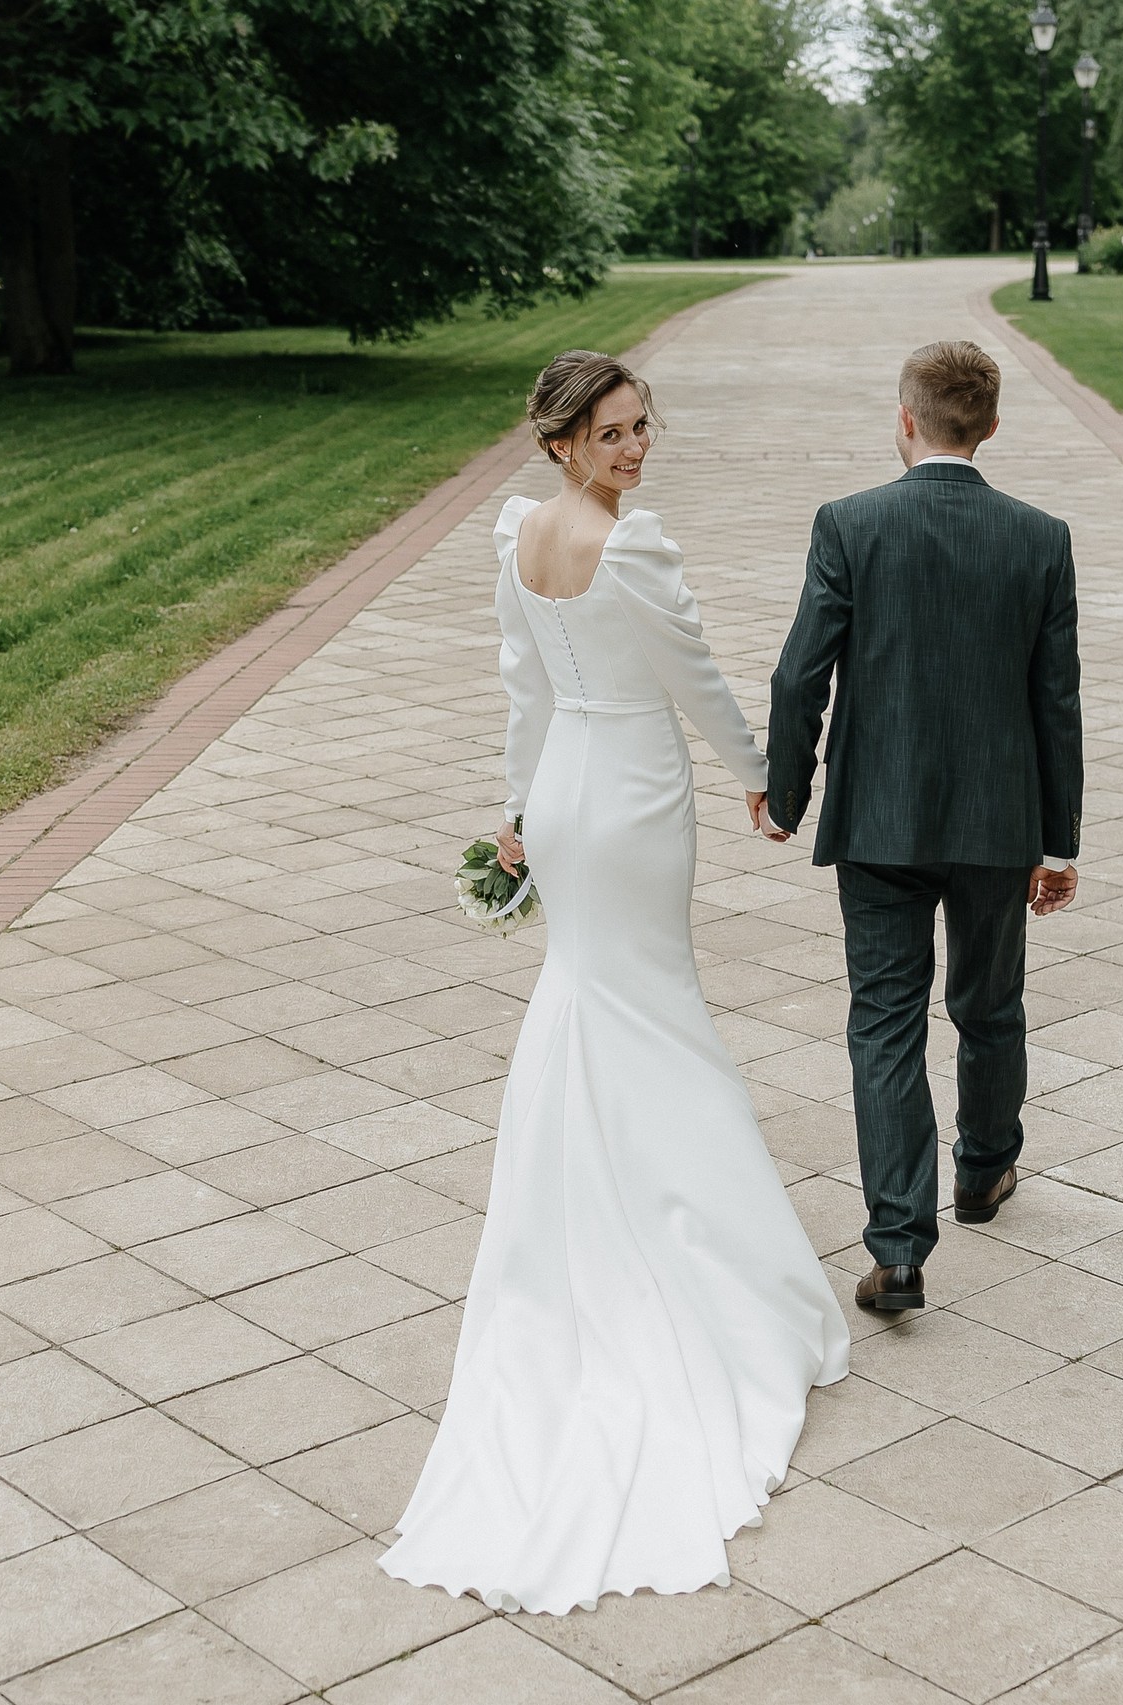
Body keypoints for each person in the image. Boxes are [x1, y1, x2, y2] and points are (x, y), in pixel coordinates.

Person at [378, 351, 849, 1615]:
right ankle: (698, 1256)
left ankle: (588, 1213)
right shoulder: (626, 549)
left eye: (644, 427)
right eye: (615, 432)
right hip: (635, 796)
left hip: (574, 796)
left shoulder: (518, 537)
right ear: (563, 443)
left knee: (592, 997)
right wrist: (761, 772)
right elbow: (691, 676)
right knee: (657, 1008)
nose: (639, 448)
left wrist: (521, 809)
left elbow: (525, 691)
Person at [764, 340, 1084, 1315]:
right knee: (988, 1004)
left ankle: (898, 1246)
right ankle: (984, 1170)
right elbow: (1055, 701)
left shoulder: (850, 525)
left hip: (879, 821)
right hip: (996, 821)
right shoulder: (1039, 537)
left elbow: (797, 675)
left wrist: (784, 796)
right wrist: (1058, 839)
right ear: (990, 427)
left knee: (885, 1023)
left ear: (903, 420)